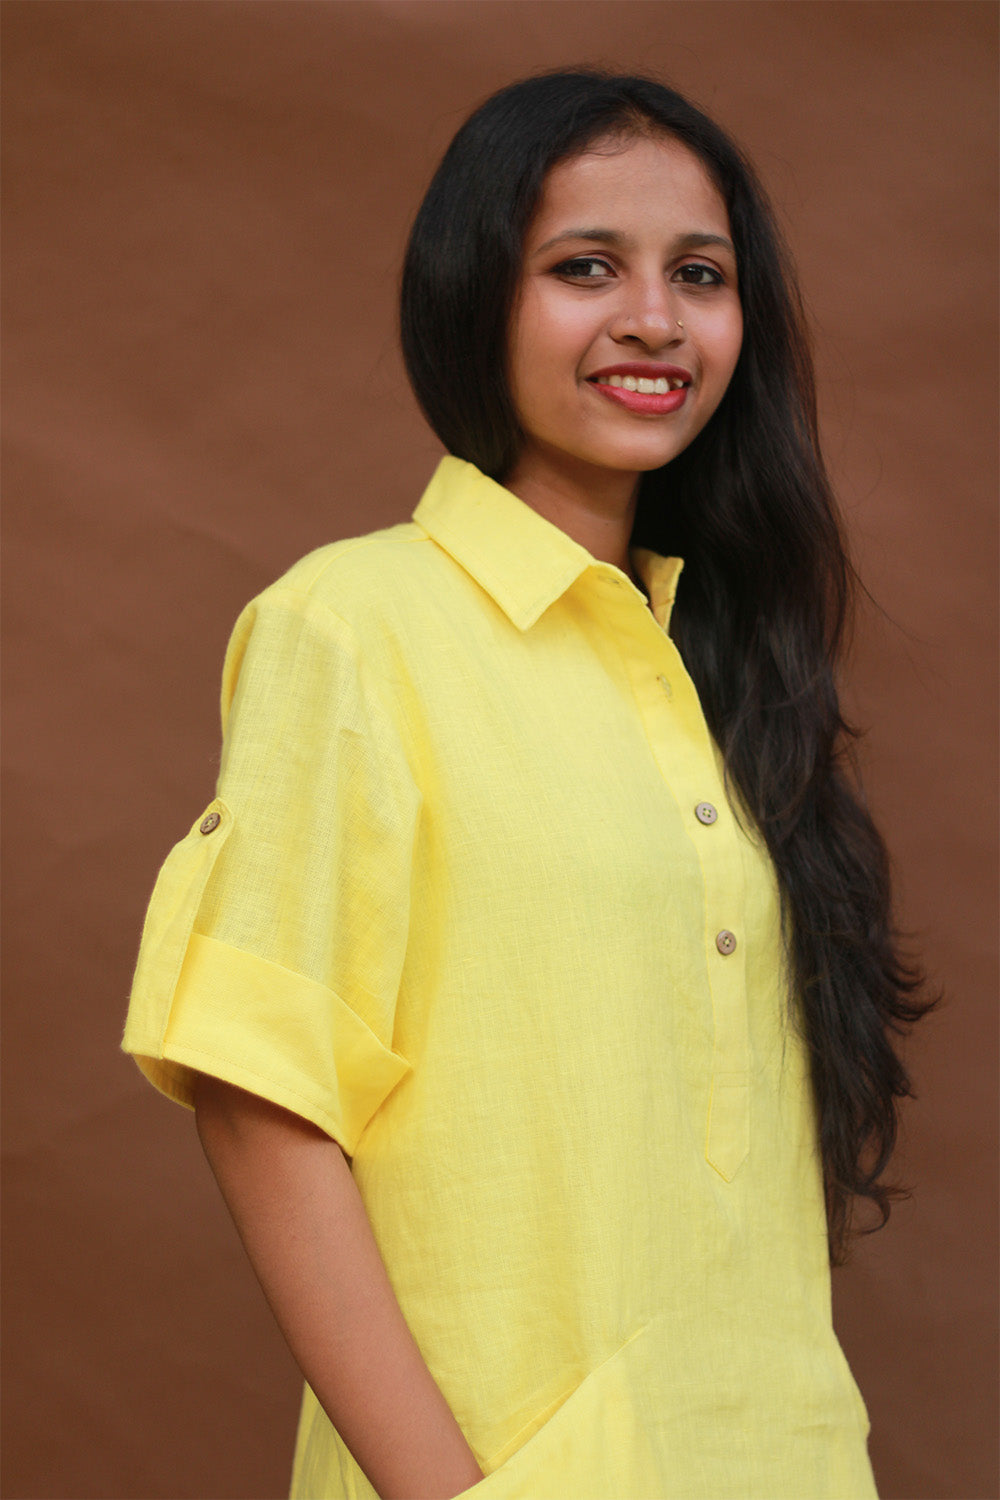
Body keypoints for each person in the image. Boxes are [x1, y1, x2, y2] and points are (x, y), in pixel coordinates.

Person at [123, 69, 932, 1500]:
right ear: (473, 296)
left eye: (700, 274)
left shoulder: (719, 667)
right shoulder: (356, 624)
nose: (653, 321)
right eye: (583, 269)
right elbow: (264, 1102)